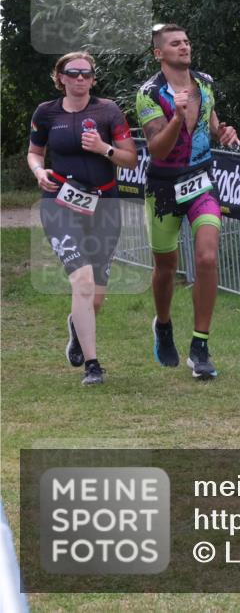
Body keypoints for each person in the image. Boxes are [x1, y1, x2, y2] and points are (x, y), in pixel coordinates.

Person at [27, 52, 139, 385]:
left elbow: (130, 160)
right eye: (73, 73)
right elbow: (34, 152)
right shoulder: (46, 113)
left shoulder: (108, 111)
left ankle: (77, 329)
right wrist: (38, 171)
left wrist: (104, 149)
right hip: (59, 203)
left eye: (86, 74)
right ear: (60, 77)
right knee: (83, 281)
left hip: (103, 206)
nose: (80, 79)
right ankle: (93, 365)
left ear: (93, 79)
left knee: (96, 296)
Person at [136, 23, 239, 380]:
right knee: (165, 267)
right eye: (175, 44)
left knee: (208, 256)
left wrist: (223, 131)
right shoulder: (149, 93)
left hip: (201, 182)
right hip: (164, 188)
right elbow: (157, 148)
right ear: (159, 53)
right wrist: (177, 117)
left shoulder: (205, 82)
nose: (184, 47)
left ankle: (200, 345)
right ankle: (163, 325)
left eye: (187, 42)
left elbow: (211, 122)